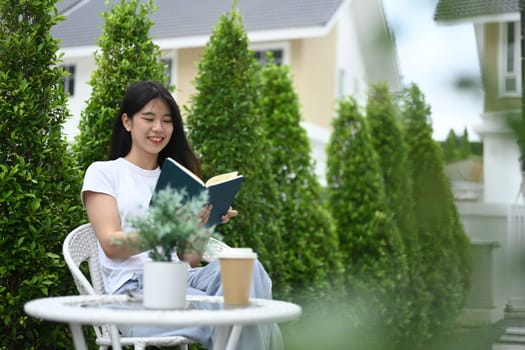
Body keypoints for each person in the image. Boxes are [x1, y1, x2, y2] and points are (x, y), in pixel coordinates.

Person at [81, 80, 283, 349]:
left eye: (167, 120)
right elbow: (112, 245)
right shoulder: (104, 172)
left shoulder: (174, 178)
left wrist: (205, 223)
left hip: (178, 278)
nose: (158, 128)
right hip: (132, 293)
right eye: (149, 118)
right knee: (239, 315)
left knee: (248, 274)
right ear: (127, 122)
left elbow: (188, 259)